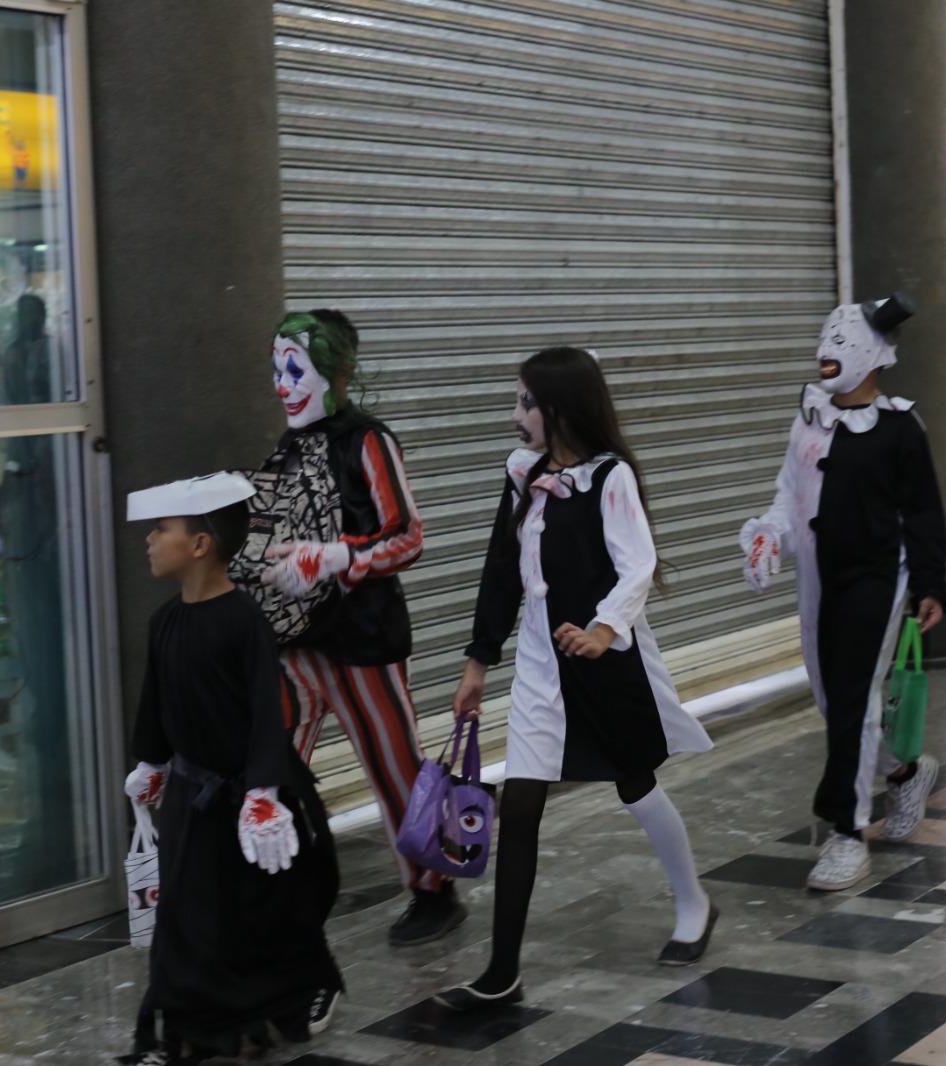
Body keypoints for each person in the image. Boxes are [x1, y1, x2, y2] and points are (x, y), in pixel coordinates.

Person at [436, 346, 716, 1011]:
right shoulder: (522, 475)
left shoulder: (610, 478)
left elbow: (638, 564)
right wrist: (478, 664)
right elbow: (501, 573)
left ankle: (694, 902)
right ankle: (502, 973)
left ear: (560, 408)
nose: (516, 415)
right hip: (540, 665)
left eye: (526, 403)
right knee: (521, 806)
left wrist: (602, 630)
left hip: (603, 665)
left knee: (635, 783)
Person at [232, 309, 466, 945]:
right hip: (295, 639)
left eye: (295, 368)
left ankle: (435, 890)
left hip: (362, 636)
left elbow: (408, 535)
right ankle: (263, 886)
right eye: (276, 369)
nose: (282, 384)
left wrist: (338, 558)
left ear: (336, 372)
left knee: (394, 766)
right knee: (270, 760)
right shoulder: (287, 447)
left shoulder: (368, 440)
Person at [121, 472, 342, 1065]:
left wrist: (264, 793)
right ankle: (185, 1035)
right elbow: (157, 701)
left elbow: (269, 711)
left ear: (199, 544)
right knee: (185, 917)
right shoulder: (164, 621)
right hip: (192, 798)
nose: (149, 540)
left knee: (257, 912)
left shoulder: (244, 620)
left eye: (161, 529)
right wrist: (152, 761)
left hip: (250, 799)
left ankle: (280, 1000)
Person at [741, 294, 946, 891]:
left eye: (841, 340)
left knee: (854, 700)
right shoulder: (808, 419)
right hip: (818, 578)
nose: (826, 351)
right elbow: (789, 494)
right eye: (824, 339)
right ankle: (905, 772)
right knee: (837, 705)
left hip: (877, 579)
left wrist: (932, 584)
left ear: (874, 353)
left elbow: (923, 513)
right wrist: (768, 536)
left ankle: (847, 832)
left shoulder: (900, 428)